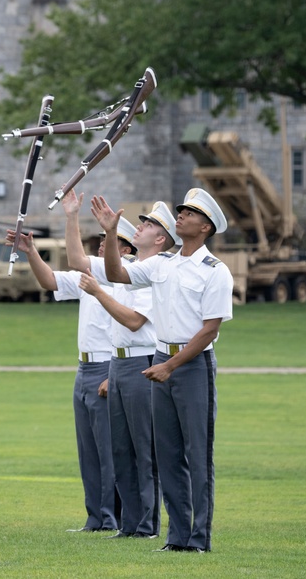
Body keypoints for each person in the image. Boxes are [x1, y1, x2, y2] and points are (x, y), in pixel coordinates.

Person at [91, 188, 233, 553]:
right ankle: (177, 537)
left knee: (197, 454)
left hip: (191, 367)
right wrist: (110, 234)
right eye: (181, 211)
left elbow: (210, 330)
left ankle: (199, 538)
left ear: (205, 227)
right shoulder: (163, 263)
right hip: (161, 364)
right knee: (167, 454)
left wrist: (169, 365)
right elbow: (115, 273)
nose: (180, 215)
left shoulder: (215, 272)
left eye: (189, 213)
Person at [6, 189, 132, 534]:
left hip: (108, 367)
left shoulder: (130, 281)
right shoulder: (90, 277)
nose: (101, 247)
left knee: (110, 451)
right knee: (88, 451)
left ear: (127, 251)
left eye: (110, 242)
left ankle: (113, 519)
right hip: (83, 368)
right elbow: (49, 281)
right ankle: (95, 518)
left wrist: (112, 375)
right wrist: (31, 251)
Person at [65, 192, 180, 540]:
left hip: (143, 362)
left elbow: (133, 321)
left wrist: (101, 293)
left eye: (148, 224)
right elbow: (75, 259)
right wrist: (71, 216)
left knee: (144, 448)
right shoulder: (128, 270)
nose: (142, 225)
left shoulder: (158, 272)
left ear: (160, 238)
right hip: (118, 363)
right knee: (121, 447)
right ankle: (129, 524)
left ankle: (146, 524)